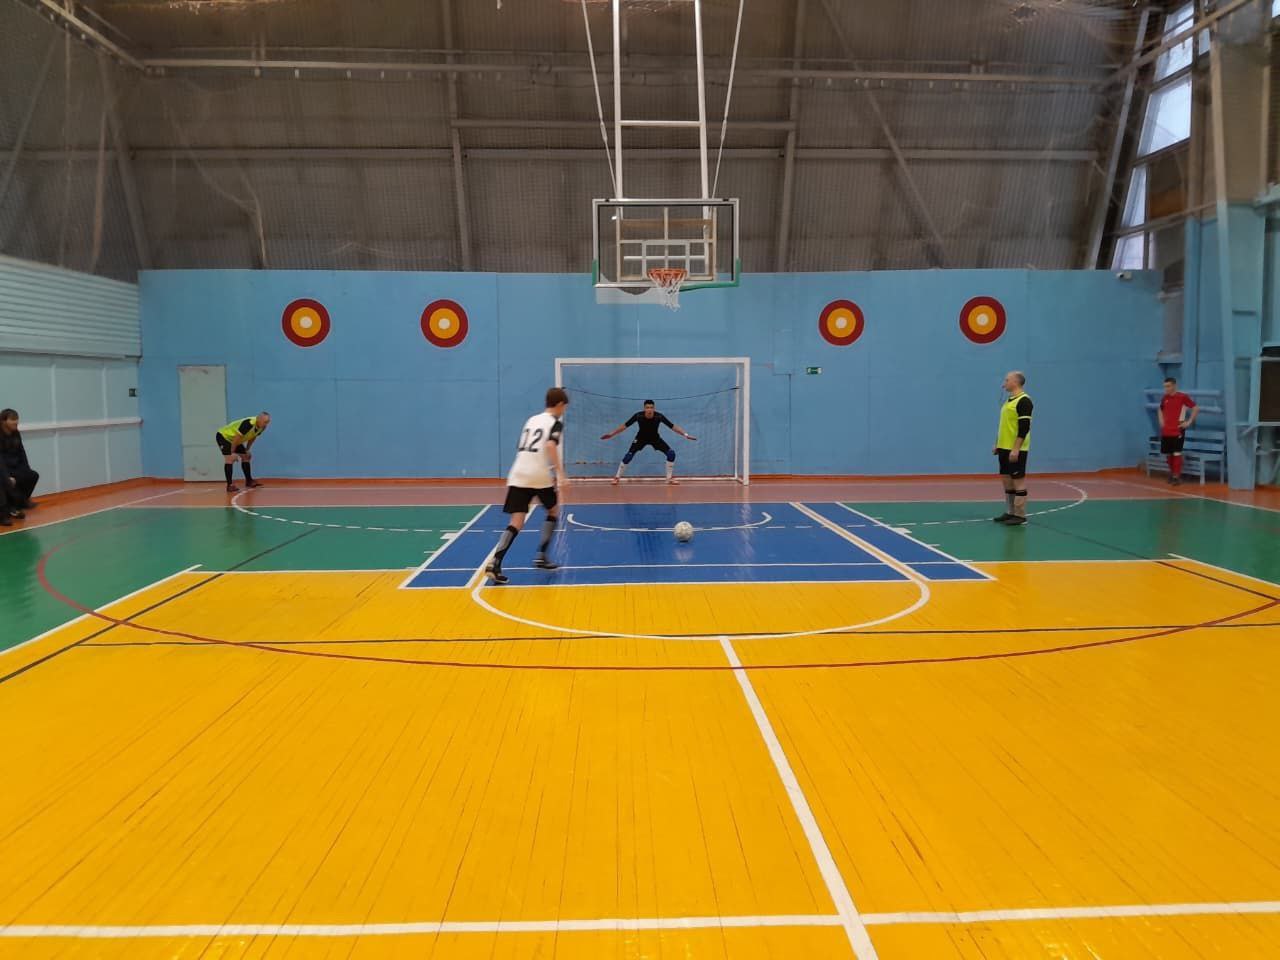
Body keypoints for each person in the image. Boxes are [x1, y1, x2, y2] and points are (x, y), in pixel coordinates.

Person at [485, 387, 570, 585]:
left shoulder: (531, 420)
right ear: (559, 405)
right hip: (538, 474)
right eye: (564, 407)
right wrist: (561, 474)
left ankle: (495, 563)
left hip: (518, 473)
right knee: (553, 510)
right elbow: (550, 445)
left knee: (516, 521)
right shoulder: (555, 423)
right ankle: (541, 555)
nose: (564, 410)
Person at [600, 400, 698, 485]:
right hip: (640, 439)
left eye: (651, 407)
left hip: (655, 439)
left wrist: (685, 434)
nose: (649, 409)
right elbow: (624, 426)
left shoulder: (659, 416)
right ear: (644, 408)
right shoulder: (638, 416)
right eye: (647, 407)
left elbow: (673, 426)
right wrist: (611, 434)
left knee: (671, 454)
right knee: (628, 456)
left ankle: (669, 479)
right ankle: (617, 478)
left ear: (654, 408)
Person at [992, 371, 1033, 526]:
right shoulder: (1008, 401)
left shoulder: (1024, 401)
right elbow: (1004, 425)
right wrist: (997, 443)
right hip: (1004, 448)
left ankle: (1020, 515)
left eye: (1007, 380)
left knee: (1018, 482)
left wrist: (1016, 449)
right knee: (1007, 481)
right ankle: (1010, 512)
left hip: (1016, 450)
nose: (1004, 383)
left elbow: (1024, 428)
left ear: (1015, 382)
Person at [0, 408, 39, 526]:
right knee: (4, 483)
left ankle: (17, 505)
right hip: (2, 469)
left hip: (14, 467)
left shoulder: (16, 433)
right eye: (13, 419)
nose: (16, 422)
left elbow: (22, 452)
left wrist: (26, 470)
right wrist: (7, 477)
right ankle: (3, 515)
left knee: (32, 475)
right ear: (3, 421)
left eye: (17, 419)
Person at [1158, 377, 1198, 485]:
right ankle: (1172, 474)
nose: (1166, 389)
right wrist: (1161, 421)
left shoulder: (1182, 397)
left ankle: (1176, 476)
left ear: (1174, 386)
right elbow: (1160, 409)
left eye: (1168, 386)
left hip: (1178, 430)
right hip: (1166, 431)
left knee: (1176, 453)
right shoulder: (1164, 398)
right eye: (1165, 386)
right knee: (1168, 454)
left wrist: (1189, 422)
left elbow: (1195, 408)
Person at [216, 413, 270, 493]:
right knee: (230, 458)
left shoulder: (262, 427)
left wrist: (247, 450)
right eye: (265, 422)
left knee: (246, 456)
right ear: (258, 419)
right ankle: (229, 485)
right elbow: (237, 437)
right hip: (224, 436)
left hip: (235, 439)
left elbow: (253, 437)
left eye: (268, 422)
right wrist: (231, 452)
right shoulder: (249, 423)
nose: (266, 424)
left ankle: (249, 481)